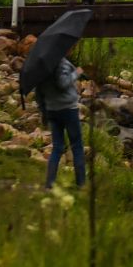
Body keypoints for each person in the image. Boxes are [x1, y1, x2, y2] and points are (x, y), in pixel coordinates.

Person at [35, 44, 86, 189]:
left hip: (52, 110)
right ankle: (81, 184)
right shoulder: (61, 62)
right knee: (77, 146)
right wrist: (77, 72)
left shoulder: (42, 68)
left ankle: (49, 183)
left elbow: (39, 94)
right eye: (70, 47)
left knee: (57, 147)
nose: (72, 49)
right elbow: (63, 83)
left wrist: (44, 112)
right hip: (68, 109)